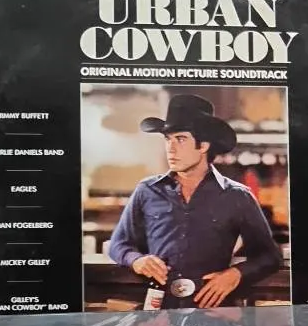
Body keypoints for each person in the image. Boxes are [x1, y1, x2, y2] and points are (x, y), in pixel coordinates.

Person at [107, 93, 282, 307]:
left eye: (180, 139)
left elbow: (270, 256)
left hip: (212, 310)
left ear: (204, 145)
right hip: (158, 311)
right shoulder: (147, 190)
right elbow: (118, 244)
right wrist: (136, 260)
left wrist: (235, 274)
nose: (171, 148)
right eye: (168, 139)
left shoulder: (237, 195)